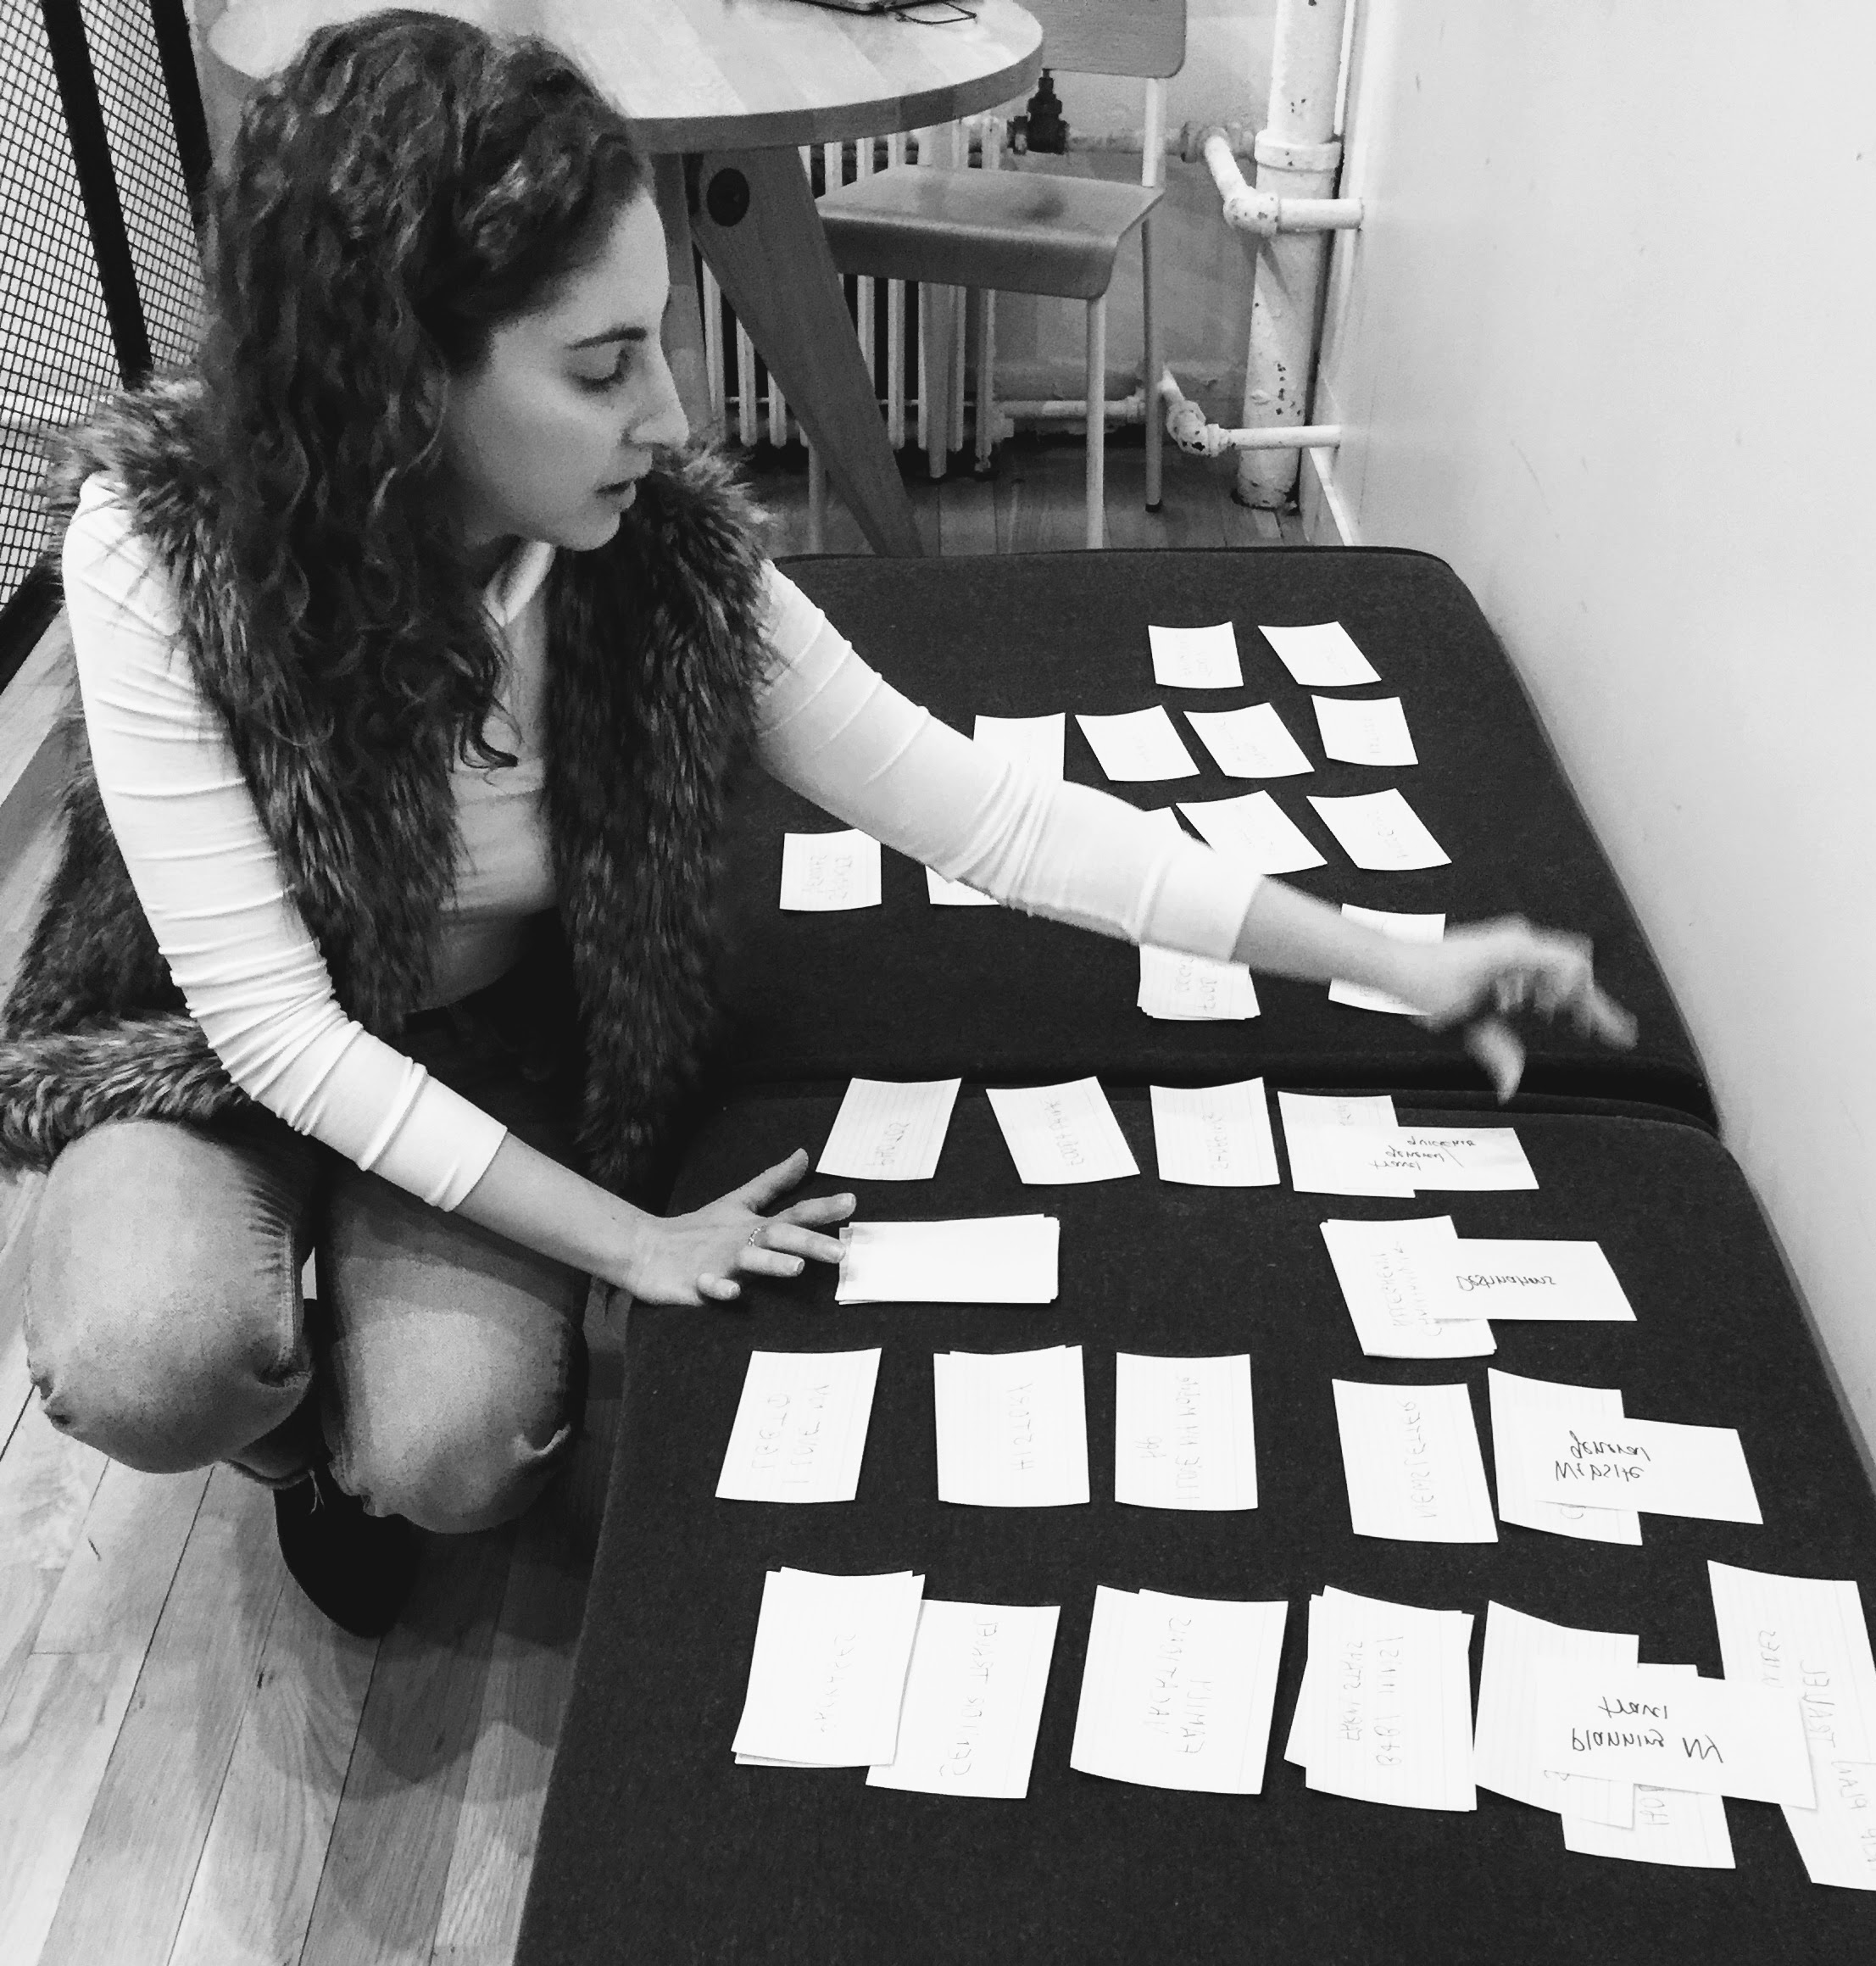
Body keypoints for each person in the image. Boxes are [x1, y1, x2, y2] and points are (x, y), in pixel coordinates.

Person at [0, 13, 1634, 1638]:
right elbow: (277, 1031)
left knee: (461, 1450)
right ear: (403, 381)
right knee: (150, 1351)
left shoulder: (660, 562)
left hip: (480, 1038)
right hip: (203, 1035)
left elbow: (994, 815)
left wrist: (1391, 963)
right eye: (602, 363)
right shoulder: (156, 548)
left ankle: (359, 1435)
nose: (669, 409)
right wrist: (633, 1243)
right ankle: (293, 1456)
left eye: (661, 336)